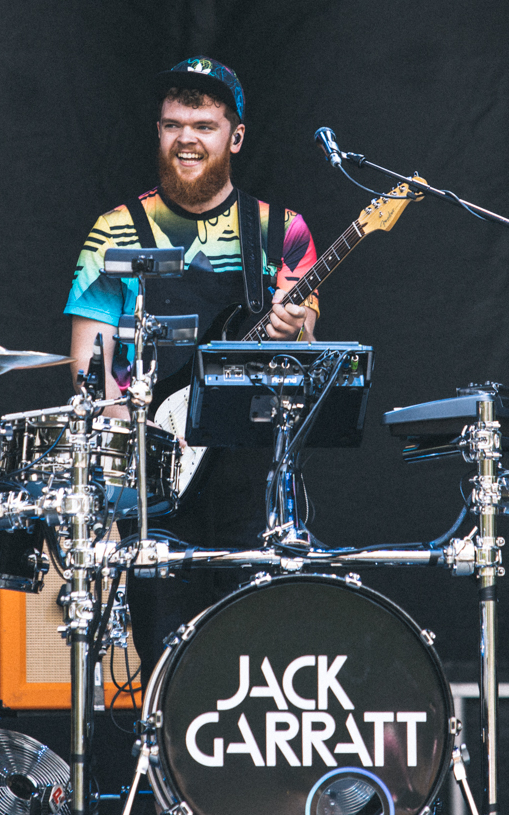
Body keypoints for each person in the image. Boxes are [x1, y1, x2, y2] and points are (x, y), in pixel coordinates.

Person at [64, 57, 320, 671]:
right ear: (157, 132)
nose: (187, 138)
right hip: (156, 489)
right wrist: (116, 472)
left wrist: (296, 329)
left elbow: (310, 354)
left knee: (261, 669)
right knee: (168, 673)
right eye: (173, 124)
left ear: (234, 136)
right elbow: (86, 370)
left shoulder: (281, 229)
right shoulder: (112, 232)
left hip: (253, 486)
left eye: (203, 125)